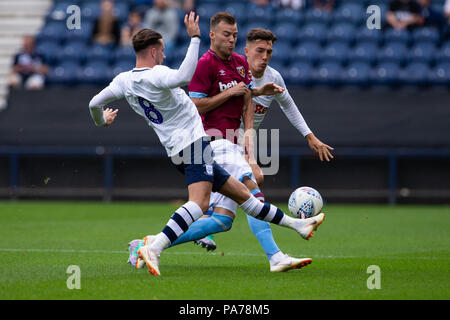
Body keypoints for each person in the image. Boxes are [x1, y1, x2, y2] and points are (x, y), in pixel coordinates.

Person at [89, 12, 325, 276]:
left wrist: (102, 121)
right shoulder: (161, 74)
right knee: (212, 199)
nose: (165, 56)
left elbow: (93, 103)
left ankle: (297, 226)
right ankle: (275, 256)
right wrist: (194, 38)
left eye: (235, 35)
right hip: (204, 142)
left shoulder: (124, 80)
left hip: (187, 146)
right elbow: (184, 80)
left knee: (231, 210)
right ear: (154, 52)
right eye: (227, 34)